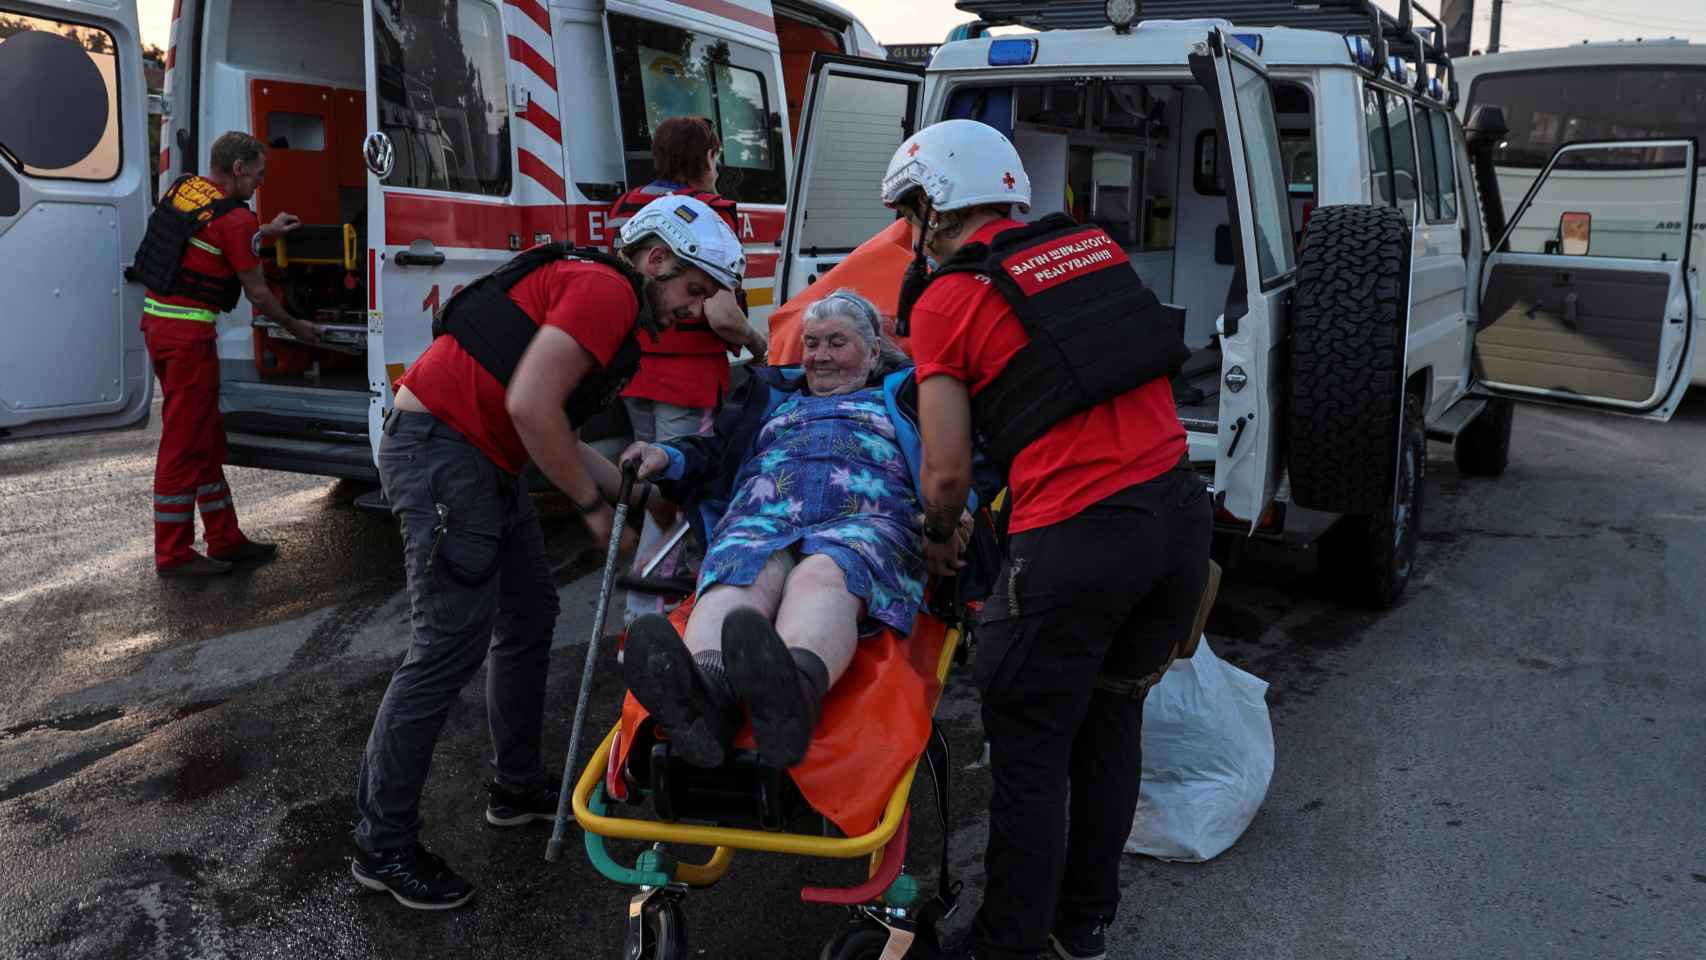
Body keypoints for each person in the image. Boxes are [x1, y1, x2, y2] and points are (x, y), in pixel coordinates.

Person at [349, 195, 745, 911]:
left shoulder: (600, 286)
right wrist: (598, 512)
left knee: (529, 615)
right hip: (445, 455)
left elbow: (545, 422)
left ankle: (516, 785)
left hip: (478, 458)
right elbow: (532, 408)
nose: (694, 310)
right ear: (656, 260)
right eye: (694, 290)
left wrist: (635, 488)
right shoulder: (607, 291)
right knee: (443, 650)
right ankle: (382, 845)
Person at [883, 119, 1210, 960]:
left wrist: (939, 537)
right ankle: (1082, 923)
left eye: (910, 214)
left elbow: (947, 474)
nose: (907, 235)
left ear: (933, 206)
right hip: (1176, 520)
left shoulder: (950, 299)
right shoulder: (1089, 248)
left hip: (1079, 540)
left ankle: (1006, 943)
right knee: (1111, 718)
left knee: (1030, 748)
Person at [617, 290, 959, 771]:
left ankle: (791, 695)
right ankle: (705, 705)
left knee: (825, 572)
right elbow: (715, 448)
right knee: (739, 569)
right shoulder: (771, 392)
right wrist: (665, 455)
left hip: (864, 517)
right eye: (812, 343)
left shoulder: (911, 393)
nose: (819, 356)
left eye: (836, 343)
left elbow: (961, 458)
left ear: (874, 350)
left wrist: (953, 513)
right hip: (765, 515)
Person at [128, 131, 324, 577]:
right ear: (238, 169)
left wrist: (265, 231)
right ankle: (173, 555)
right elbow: (257, 293)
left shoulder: (185, 187)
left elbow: (208, 234)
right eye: (257, 176)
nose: (259, 184)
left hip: (158, 329)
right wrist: (297, 329)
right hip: (189, 343)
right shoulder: (235, 221)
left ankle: (225, 538)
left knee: (205, 440)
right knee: (181, 448)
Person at [606, 116, 768, 623]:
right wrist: (760, 345)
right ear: (705, 158)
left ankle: (645, 602)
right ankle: (646, 616)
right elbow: (719, 313)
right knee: (674, 487)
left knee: (647, 476)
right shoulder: (707, 215)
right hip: (688, 378)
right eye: (716, 156)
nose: (718, 166)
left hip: (634, 371)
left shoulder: (631, 206)